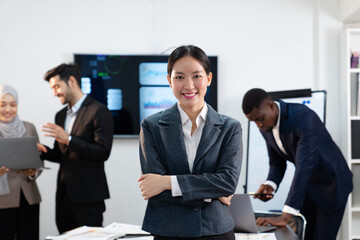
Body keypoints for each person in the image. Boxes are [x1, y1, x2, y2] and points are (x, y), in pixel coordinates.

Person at [138, 45, 243, 240]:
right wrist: (213, 192)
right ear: (169, 81)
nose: (189, 85)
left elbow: (228, 183)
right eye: (179, 77)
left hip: (217, 231)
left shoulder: (230, 127)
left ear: (208, 79)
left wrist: (168, 182)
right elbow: (154, 190)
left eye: (197, 76)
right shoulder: (151, 126)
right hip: (169, 232)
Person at [242, 88, 353, 240]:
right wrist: (270, 185)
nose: (258, 125)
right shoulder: (265, 126)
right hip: (309, 186)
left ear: (271, 106)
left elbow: (304, 166)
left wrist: (285, 216)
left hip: (331, 185)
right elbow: (277, 163)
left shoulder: (304, 118)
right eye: (253, 121)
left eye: (259, 119)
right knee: (304, 236)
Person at [40, 63, 114, 233]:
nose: (54, 93)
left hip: (89, 198)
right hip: (64, 197)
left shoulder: (99, 111)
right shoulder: (60, 115)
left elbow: (103, 152)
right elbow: (61, 155)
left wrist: (69, 139)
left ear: (71, 81)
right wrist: (41, 151)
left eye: (57, 86)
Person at [0, 84, 46, 240]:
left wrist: (33, 172)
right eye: (2, 104)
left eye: (13, 105)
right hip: (2, 201)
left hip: (28, 198)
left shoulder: (29, 128)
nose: (8, 109)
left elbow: (38, 161)